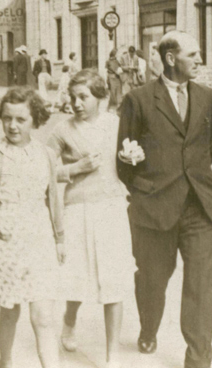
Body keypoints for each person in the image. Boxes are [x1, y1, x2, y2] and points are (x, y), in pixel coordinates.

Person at [117, 30, 212, 368]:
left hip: (199, 206)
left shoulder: (206, 97)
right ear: (170, 58)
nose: (200, 61)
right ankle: (149, 327)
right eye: (193, 55)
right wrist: (148, 189)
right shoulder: (139, 98)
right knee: (152, 278)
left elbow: (209, 148)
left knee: (202, 284)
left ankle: (198, 358)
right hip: (155, 207)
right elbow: (124, 159)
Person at [0, 87, 65, 368]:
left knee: (43, 316)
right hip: (7, 241)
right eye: (7, 118)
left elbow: (52, 201)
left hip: (40, 240)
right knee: (9, 311)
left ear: (35, 120)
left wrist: (60, 238)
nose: (12, 125)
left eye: (20, 120)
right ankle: (6, 361)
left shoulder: (46, 154)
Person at [47, 69, 135, 368]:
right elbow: (40, 170)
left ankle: (113, 355)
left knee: (113, 281)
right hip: (77, 210)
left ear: (101, 97)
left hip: (111, 208)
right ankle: (69, 322)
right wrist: (74, 169)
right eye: (73, 97)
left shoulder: (117, 125)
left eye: (83, 97)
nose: (77, 103)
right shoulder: (62, 130)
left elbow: (133, 156)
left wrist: (133, 157)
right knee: (77, 277)